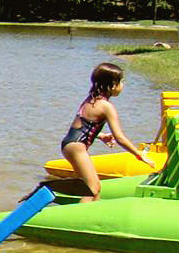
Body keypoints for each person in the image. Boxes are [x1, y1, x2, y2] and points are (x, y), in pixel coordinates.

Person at [60, 62, 154, 201]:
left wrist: (101, 136)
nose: (123, 85)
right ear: (112, 85)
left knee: (95, 188)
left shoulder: (91, 99)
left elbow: (82, 126)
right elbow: (120, 137)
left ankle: (90, 215)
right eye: (121, 81)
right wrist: (139, 155)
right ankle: (81, 217)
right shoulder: (106, 107)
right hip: (77, 148)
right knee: (92, 188)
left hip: (70, 144)